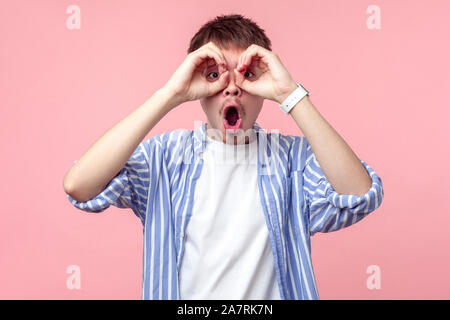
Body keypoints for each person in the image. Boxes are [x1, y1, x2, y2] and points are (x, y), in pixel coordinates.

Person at [63, 14, 384, 300]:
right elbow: (80, 185)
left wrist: (290, 94)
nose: (232, 88)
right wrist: (169, 94)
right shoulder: (164, 158)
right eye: (215, 76)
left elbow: (358, 195)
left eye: (248, 76)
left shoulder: (293, 163)